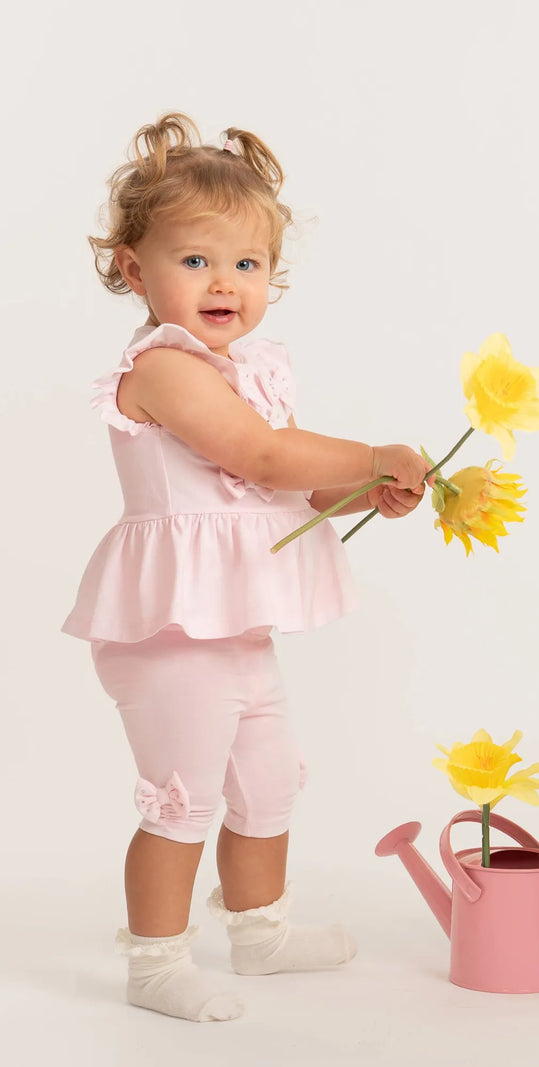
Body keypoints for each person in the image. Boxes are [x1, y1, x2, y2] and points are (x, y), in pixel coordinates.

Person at [62, 112, 431, 1022]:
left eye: (247, 264)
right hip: (171, 625)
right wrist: (371, 452)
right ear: (131, 268)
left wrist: (359, 494)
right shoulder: (165, 368)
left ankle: (260, 933)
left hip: (236, 621)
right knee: (182, 797)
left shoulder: (251, 372)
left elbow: (286, 499)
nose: (224, 283)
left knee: (268, 782)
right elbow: (260, 460)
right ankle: (155, 961)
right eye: (194, 261)